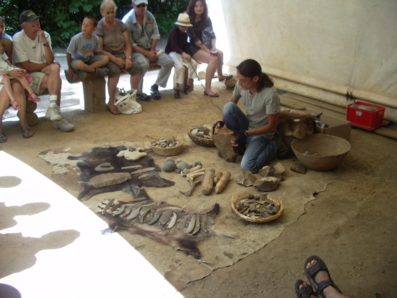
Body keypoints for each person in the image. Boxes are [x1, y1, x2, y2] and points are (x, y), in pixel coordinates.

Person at [211, 59, 280, 173]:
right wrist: (221, 121)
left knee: (247, 167)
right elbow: (232, 104)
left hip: (262, 133)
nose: (239, 83)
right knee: (228, 107)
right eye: (238, 79)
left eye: (243, 80)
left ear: (255, 78)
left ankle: (272, 147)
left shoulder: (270, 95)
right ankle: (242, 144)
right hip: (247, 125)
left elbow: (272, 126)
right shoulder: (241, 85)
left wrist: (246, 134)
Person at [13, 10, 75, 132]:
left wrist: (44, 41)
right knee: (56, 79)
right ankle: (57, 119)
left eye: (37, 24)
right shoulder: (18, 39)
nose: (36, 28)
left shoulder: (45, 35)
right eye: (33, 26)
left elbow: (50, 60)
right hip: (27, 75)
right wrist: (45, 65)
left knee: (55, 68)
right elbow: (26, 66)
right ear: (23, 27)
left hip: (43, 70)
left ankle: (53, 107)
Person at [96, 0, 148, 115]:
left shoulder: (120, 24)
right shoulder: (100, 27)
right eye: (108, 13)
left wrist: (128, 58)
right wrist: (114, 60)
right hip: (107, 56)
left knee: (135, 68)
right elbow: (99, 49)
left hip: (121, 54)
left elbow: (128, 44)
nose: (111, 15)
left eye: (113, 12)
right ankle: (111, 102)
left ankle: (132, 98)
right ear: (102, 13)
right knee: (114, 71)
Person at [123, 0, 174, 100]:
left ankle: (155, 86)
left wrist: (151, 51)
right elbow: (130, 44)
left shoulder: (149, 15)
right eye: (139, 6)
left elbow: (156, 34)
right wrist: (147, 53)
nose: (142, 8)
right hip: (136, 51)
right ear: (133, 5)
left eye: (144, 5)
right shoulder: (127, 20)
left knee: (169, 62)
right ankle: (138, 92)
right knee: (143, 64)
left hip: (150, 48)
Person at [186, 0, 232, 97]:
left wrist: (213, 47)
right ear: (192, 8)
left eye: (201, 6)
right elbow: (194, 39)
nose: (199, 8)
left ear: (204, 7)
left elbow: (212, 35)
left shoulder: (207, 19)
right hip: (193, 47)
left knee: (220, 53)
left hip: (206, 45)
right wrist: (207, 50)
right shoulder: (189, 19)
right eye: (196, 6)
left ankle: (220, 75)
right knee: (213, 58)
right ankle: (208, 89)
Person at [165, 13, 197, 99]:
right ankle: (177, 88)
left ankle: (187, 84)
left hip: (180, 52)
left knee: (193, 63)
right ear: (179, 24)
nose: (185, 28)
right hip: (172, 52)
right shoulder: (173, 32)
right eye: (183, 26)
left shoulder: (184, 34)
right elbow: (174, 47)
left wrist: (188, 55)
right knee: (180, 67)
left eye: (186, 26)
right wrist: (184, 54)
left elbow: (185, 46)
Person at [0, 39, 39, 110]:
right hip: (1, 73)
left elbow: (9, 64)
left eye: (1, 46)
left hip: (6, 69)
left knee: (19, 74)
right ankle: (13, 101)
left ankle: (31, 93)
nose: (2, 48)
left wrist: (18, 69)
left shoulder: (2, 53)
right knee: (6, 79)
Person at [0, 69, 34, 142]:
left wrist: (17, 71)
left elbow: (8, 64)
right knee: (6, 91)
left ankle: (23, 122)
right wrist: (8, 73)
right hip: (3, 79)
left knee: (17, 85)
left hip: (6, 78)